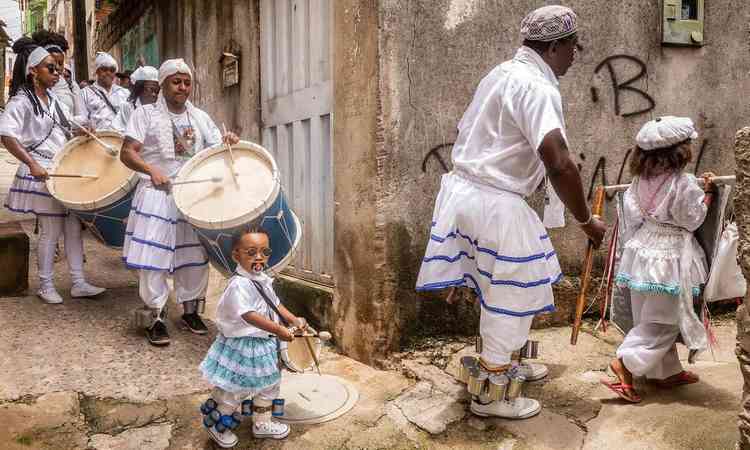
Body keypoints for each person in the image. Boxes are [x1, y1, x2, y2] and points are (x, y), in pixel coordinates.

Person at [415, 5, 606, 420]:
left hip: (466, 193)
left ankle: (503, 365)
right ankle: (492, 395)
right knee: (510, 293)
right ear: (555, 46)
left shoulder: (500, 73)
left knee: (494, 286)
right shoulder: (536, 87)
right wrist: (586, 221)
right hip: (494, 202)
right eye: (573, 46)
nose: (576, 54)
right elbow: (559, 161)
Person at [119, 58, 239, 346]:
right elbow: (127, 153)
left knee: (194, 257)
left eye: (186, 82)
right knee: (155, 259)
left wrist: (229, 142)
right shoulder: (144, 114)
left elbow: (215, 151)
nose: (182, 87)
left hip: (191, 198)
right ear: (162, 84)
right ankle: (155, 316)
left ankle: (189, 311)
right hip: (156, 196)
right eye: (176, 81)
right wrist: (151, 170)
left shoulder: (200, 118)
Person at [602, 117, 714, 403]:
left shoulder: (638, 183)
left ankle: (664, 372)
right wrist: (709, 196)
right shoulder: (683, 183)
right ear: (680, 151)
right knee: (665, 321)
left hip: (642, 252)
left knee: (647, 315)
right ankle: (625, 365)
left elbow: (634, 218)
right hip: (670, 257)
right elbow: (691, 220)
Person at [0, 38, 106, 304]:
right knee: (51, 229)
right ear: (33, 70)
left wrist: (84, 129)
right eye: (51, 68)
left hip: (60, 168)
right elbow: (6, 135)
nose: (57, 72)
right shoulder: (21, 102)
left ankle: (78, 282)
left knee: (72, 226)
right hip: (42, 171)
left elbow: (67, 127)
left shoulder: (52, 101)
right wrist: (32, 164)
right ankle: (45, 285)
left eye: (58, 69)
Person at [199, 228, 306, 446]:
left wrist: (293, 319)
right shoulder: (239, 284)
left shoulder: (261, 278)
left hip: (264, 344)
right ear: (236, 255)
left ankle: (262, 422)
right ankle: (216, 424)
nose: (259, 257)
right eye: (251, 252)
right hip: (245, 346)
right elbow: (248, 315)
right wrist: (278, 330)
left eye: (264, 252)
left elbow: (275, 303)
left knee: (269, 384)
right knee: (236, 388)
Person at [74, 52, 130, 130]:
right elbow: (81, 120)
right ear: (97, 71)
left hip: (121, 139)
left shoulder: (125, 93)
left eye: (112, 70)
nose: (108, 73)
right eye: (104, 69)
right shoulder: (84, 93)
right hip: (98, 140)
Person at [31, 30, 80, 116]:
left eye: (60, 63)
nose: (56, 67)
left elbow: (81, 115)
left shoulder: (71, 85)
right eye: (51, 63)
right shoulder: (32, 88)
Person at [111, 66, 159, 134]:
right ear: (140, 89)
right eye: (151, 89)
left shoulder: (160, 108)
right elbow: (117, 131)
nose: (154, 94)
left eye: (157, 91)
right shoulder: (127, 107)